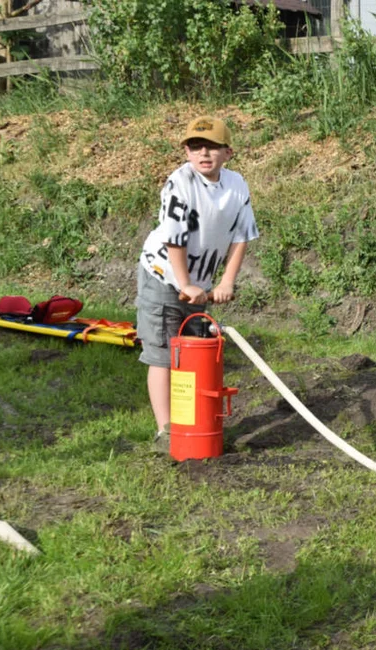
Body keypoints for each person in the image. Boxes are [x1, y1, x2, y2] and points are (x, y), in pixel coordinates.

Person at [135, 116, 258, 448]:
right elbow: (175, 238)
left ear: (228, 152)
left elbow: (241, 237)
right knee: (162, 352)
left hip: (200, 284)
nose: (204, 153)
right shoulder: (180, 183)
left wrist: (227, 281)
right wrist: (185, 283)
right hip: (162, 275)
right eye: (195, 146)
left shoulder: (236, 186)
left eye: (213, 147)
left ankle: (195, 420)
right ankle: (166, 431)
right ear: (186, 152)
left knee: (197, 351)